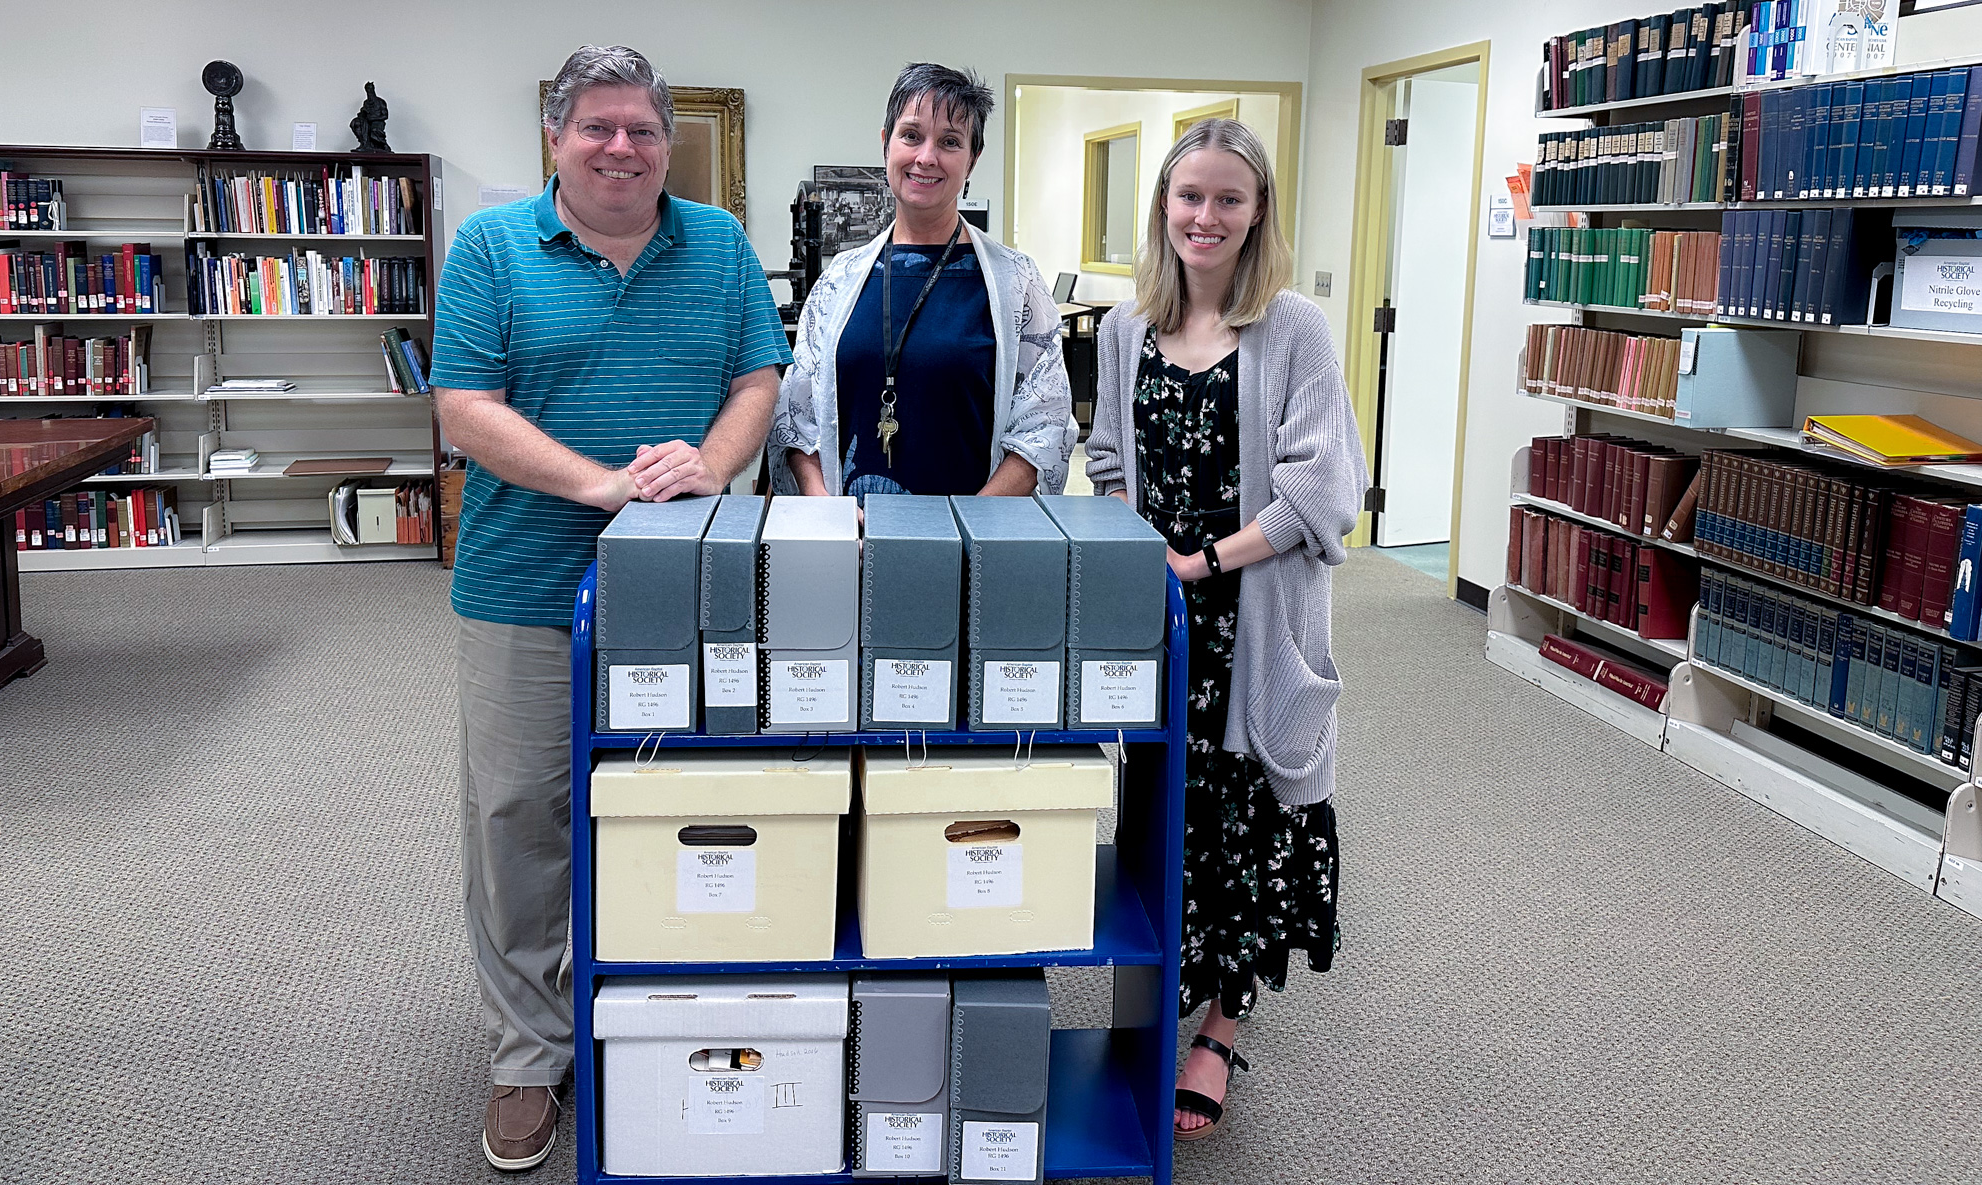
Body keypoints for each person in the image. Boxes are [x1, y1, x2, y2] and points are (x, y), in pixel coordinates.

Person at [430, 44, 790, 1173]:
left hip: (686, 592)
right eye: (598, 128)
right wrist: (598, 487)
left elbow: (756, 381)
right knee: (521, 820)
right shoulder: (493, 247)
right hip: (523, 588)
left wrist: (713, 468)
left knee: (684, 810)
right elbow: (461, 409)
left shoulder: (719, 243)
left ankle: (658, 1012)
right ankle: (528, 1056)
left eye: (641, 129)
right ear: (554, 135)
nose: (623, 148)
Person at [1082, 118, 1365, 1143]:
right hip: (1158, 614)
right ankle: (1171, 983)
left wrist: (1199, 561)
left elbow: (1322, 490)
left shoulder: (1293, 329)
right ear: (1163, 206)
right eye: (1188, 196)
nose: (1204, 217)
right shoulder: (1123, 329)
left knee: (1251, 818)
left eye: (1227, 199)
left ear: (1256, 214)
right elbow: (1108, 460)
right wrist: (1134, 551)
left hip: (1251, 612)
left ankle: (1219, 1025)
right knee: (1168, 809)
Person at [773, 62, 1072, 498]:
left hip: (973, 544)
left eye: (950, 141)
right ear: (885, 143)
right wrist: (830, 519)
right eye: (911, 135)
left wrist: (965, 533)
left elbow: (1043, 427)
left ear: (972, 159)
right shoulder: (840, 282)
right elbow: (798, 423)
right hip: (849, 542)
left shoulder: (1016, 283)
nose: (926, 157)